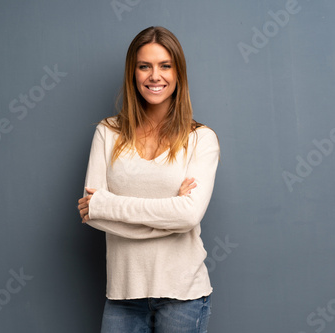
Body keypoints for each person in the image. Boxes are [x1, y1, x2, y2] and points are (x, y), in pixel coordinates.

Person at [77, 26, 220, 333]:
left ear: (178, 73)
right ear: (133, 73)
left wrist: (108, 204)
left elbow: (189, 215)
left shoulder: (201, 140)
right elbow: (92, 214)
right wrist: (171, 214)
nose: (155, 76)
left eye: (165, 66)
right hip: (122, 296)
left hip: (183, 296)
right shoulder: (107, 132)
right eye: (145, 66)